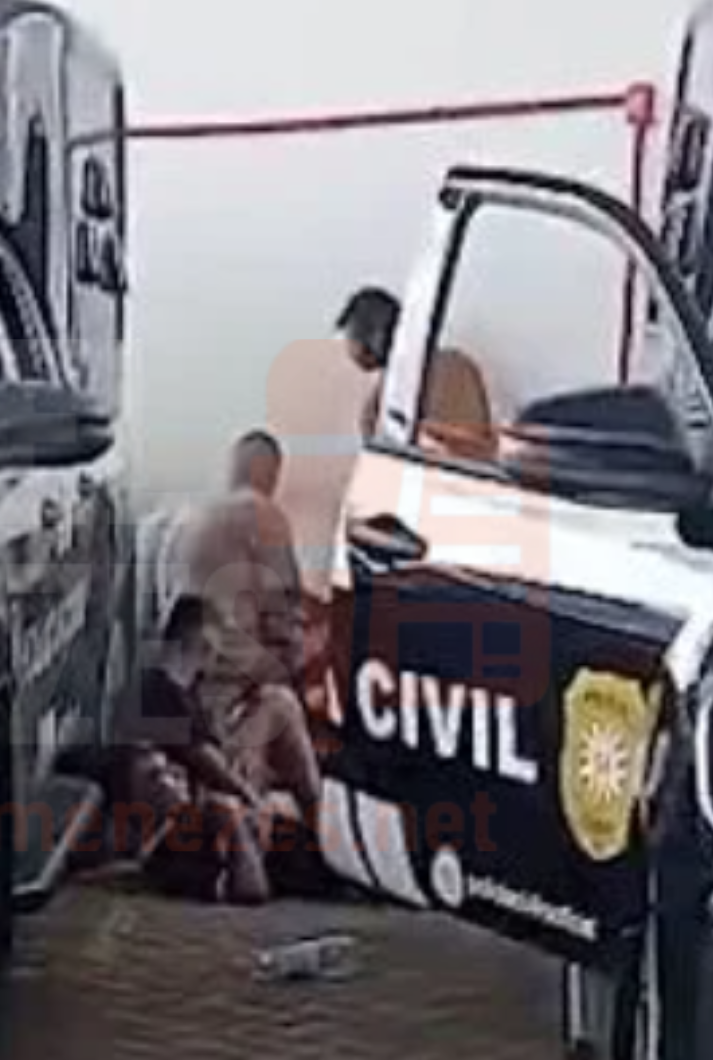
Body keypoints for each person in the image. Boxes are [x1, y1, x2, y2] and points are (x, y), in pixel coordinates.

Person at [156, 431, 324, 815]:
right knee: (284, 706)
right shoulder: (263, 515)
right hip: (222, 712)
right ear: (272, 476)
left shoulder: (189, 518)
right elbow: (285, 625)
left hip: (177, 712)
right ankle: (319, 825)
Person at [119, 595, 276, 904]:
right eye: (214, 645)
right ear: (202, 641)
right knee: (229, 809)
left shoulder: (186, 692)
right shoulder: (159, 691)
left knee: (276, 706)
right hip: (170, 827)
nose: (216, 656)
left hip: (188, 817)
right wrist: (250, 798)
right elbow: (206, 761)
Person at [337, 285, 497, 461]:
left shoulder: (406, 384)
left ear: (367, 334)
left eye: (349, 335)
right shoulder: (449, 364)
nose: (346, 346)